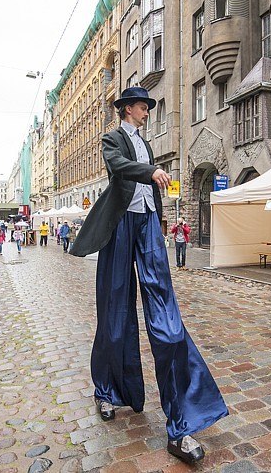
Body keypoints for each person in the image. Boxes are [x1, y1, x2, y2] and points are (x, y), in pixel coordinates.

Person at [69, 87, 227, 464]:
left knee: (167, 321)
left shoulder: (146, 142)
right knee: (115, 312)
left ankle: (181, 424)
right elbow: (119, 167)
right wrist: (150, 170)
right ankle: (107, 390)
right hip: (120, 226)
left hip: (147, 225)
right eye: (143, 106)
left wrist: (160, 216)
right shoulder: (113, 138)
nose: (146, 111)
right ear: (127, 109)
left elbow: (150, 182)